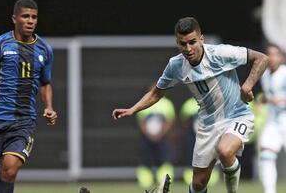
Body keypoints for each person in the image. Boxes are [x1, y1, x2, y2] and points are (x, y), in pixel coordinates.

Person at [112, 17, 269, 193]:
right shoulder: (176, 65)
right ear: (177, 42)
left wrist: (247, 85)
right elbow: (157, 93)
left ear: (201, 39)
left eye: (192, 42)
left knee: (225, 151)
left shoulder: (220, 53)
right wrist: (133, 109)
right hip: (207, 125)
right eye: (183, 43)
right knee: (198, 183)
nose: (188, 48)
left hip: (237, 115)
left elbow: (261, 58)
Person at [0, 0, 58, 193]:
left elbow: (45, 83)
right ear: (14, 18)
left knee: (9, 171)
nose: (30, 21)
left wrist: (49, 106)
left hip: (23, 122)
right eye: (25, 16)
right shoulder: (0, 45)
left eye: (34, 17)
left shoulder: (45, 49)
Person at [259, 44, 286, 193]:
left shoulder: (284, 73)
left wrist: (281, 100)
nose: (272, 57)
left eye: (275, 54)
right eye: (269, 54)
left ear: (281, 57)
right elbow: (269, 96)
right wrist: (262, 100)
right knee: (266, 155)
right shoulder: (265, 75)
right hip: (273, 120)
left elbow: (278, 98)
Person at [135, 94, 175, 189]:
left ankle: (164, 180)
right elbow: (141, 121)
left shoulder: (167, 103)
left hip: (162, 138)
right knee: (146, 158)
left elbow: (170, 120)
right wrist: (149, 135)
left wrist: (160, 134)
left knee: (164, 158)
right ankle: (146, 180)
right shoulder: (144, 102)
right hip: (146, 138)